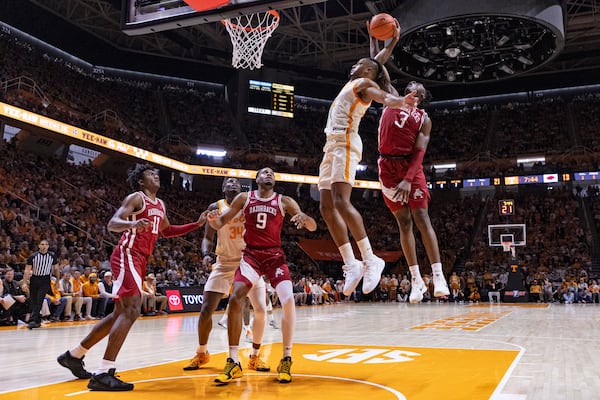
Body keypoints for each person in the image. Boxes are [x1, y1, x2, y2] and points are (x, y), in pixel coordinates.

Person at [57, 163, 207, 391]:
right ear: (141, 182)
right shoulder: (136, 198)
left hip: (140, 259)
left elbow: (167, 231)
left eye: (156, 174)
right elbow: (113, 223)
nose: (156, 176)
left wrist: (197, 224)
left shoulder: (160, 204)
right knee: (132, 310)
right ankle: (103, 372)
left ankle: (74, 355)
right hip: (127, 254)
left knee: (120, 312)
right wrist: (133, 223)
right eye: (150, 174)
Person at [318, 17, 417, 299]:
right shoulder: (357, 79)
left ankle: (371, 258)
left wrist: (400, 101)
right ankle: (351, 263)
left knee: (340, 201)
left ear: (367, 72)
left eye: (360, 64)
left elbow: (380, 93)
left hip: (345, 143)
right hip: (331, 145)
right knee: (326, 206)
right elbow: (377, 60)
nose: (354, 64)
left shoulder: (364, 83)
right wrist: (391, 40)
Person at [208, 167, 317, 384]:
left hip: (274, 256)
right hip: (251, 256)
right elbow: (221, 222)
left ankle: (286, 358)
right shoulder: (244, 197)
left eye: (272, 173)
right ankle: (232, 361)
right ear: (256, 179)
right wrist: (213, 220)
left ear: (274, 181)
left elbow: (312, 227)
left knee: (288, 301)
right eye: (264, 172)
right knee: (236, 296)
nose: (268, 174)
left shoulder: (284, 201)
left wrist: (305, 218)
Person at [183, 177, 270, 373]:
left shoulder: (249, 205)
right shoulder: (216, 206)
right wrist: (206, 254)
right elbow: (207, 237)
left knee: (261, 310)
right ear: (223, 188)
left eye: (236, 182)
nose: (232, 183)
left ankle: (255, 356)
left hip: (248, 262)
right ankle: (202, 352)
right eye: (228, 182)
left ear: (241, 188)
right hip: (223, 263)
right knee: (206, 309)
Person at [25, 239, 59, 329]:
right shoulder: (33, 256)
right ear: (39, 246)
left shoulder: (52, 256)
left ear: (48, 246)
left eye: (46, 244)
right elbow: (27, 270)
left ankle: (32, 321)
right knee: (33, 301)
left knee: (39, 300)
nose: (44, 246)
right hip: (34, 279)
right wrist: (24, 282)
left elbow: (56, 269)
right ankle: (38, 320)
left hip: (45, 280)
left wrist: (58, 281)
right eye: (42, 244)